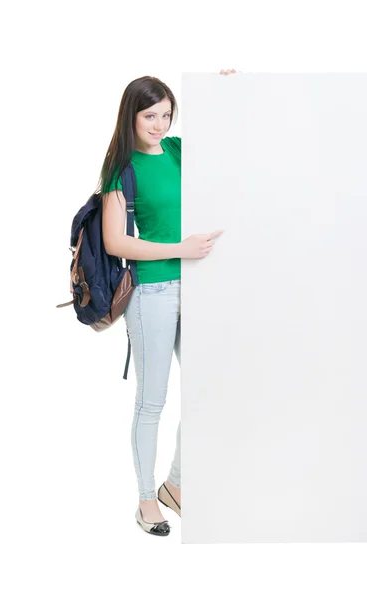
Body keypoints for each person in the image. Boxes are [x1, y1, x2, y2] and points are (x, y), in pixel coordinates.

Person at [98, 68, 237, 536]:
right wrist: (181, 249)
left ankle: (174, 486)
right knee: (151, 402)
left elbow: (226, 140)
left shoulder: (178, 151)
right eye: (150, 115)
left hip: (198, 287)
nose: (160, 124)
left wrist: (226, 90)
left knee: (206, 390)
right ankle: (144, 499)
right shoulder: (122, 168)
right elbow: (116, 242)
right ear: (131, 116)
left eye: (167, 114)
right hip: (152, 293)